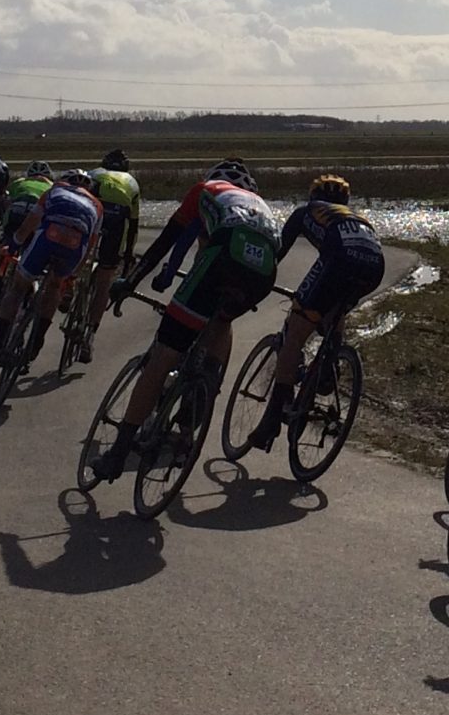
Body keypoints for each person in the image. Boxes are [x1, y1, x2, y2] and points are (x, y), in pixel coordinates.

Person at [88, 160, 279, 481]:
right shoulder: (261, 206)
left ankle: (118, 454)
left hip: (224, 256)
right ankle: (197, 405)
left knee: (165, 350)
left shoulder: (204, 191)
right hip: (264, 271)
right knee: (221, 322)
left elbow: (166, 243)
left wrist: (130, 281)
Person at [245, 174, 387, 450]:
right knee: (336, 307)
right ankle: (328, 363)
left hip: (339, 259)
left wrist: (257, 284)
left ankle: (272, 419)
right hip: (374, 266)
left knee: (297, 330)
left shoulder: (306, 212)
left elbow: (276, 255)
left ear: (313, 198)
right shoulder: (357, 218)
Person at [0, 169, 102, 372]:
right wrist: (71, 276)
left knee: (17, 287)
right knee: (54, 287)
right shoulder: (97, 205)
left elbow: (29, 224)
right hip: (74, 247)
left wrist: (14, 245)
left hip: (48, 238)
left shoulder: (55, 190)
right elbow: (89, 247)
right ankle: (37, 340)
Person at [79, 150, 142, 364]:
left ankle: (68, 288)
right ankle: (89, 336)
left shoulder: (94, 172)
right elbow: (132, 225)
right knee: (104, 279)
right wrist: (128, 254)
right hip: (116, 219)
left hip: (90, 210)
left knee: (76, 256)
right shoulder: (131, 182)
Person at [0, 161, 55, 301]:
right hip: (36, 217)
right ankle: (28, 283)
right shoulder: (52, 187)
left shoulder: (20, 182)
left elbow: (6, 200)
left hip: (15, 213)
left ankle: (0, 275)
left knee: (8, 243)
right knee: (31, 248)